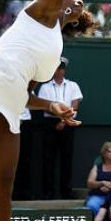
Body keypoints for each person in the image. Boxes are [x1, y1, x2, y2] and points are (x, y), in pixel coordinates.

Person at [38, 57, 83, 199]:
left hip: (68, 124)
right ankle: (48, 194)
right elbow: (45, 106)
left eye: (62, 68)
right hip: (50, 124)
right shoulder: (45, 87)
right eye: (57, 68)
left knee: (67, 159)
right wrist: (61, 117)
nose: (60, 71)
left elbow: (75, 104)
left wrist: (64, 119)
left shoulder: (72, 85)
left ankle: (66, 192)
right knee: (48, 160)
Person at [85, 142, 111, 215]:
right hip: (98, 196)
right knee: (91, 206)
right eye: (110, 151)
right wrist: (102, 183)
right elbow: (89, 183)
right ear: (103, 154)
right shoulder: (97, 167)